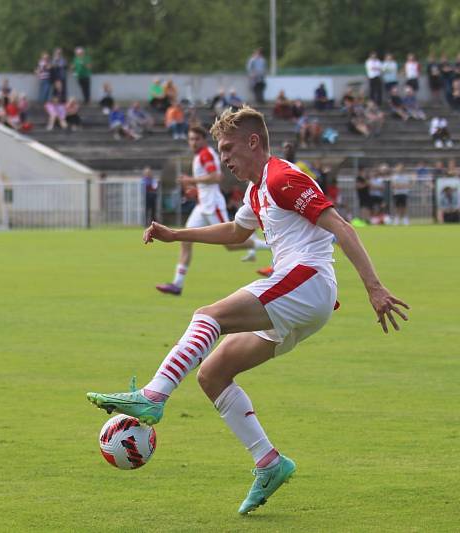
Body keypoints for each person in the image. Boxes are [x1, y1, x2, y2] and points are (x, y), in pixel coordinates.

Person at [87, 106, 409, 515]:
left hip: (308, 281)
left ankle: (153, 396)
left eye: (229, 148)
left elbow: (340, 226)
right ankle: (268, 462)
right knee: (213, 373)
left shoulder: (281, 177)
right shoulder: (257, 189)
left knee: (209, 315)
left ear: (253, 142)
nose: (224, 158)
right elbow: (237, 233)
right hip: (301, 298)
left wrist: (375, 287)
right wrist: (175, 234)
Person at [155, 125, 227, 296]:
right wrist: (197, 190)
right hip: (203, 205)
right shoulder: (199, 155)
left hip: (212, 204)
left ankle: (270, 250)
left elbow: (216, 177)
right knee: (185, 239)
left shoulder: (206, 154)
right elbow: (208, 181)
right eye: (191, 139)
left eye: (196, 139)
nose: (193, 142)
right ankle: (177, 284)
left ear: (203, 139)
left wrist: (191, 180)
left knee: (233, 241)